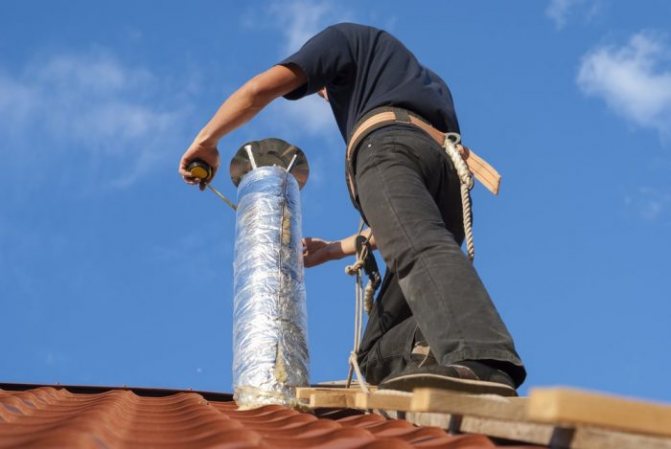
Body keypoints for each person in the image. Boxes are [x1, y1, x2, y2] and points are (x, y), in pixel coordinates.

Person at [179, 23, 526, 395]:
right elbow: (411, 220)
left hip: (388, 148)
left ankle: (483, 361)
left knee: (420, 251)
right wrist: (333, 250)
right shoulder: (424, 83)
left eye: (321, 90)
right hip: (448, 174)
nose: (323, 97)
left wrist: (207, 141)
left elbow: (258, 89)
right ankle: (440, 364)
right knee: (376, 354)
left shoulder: (344, 41)